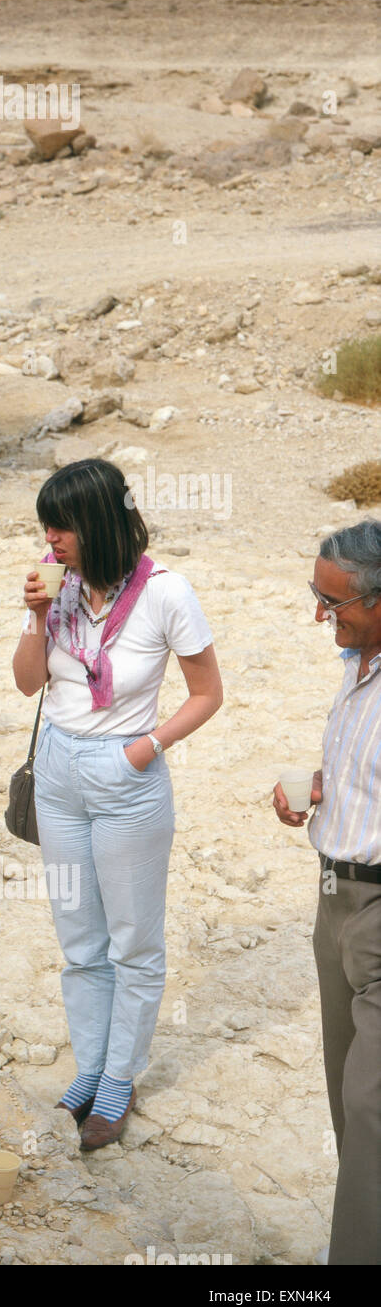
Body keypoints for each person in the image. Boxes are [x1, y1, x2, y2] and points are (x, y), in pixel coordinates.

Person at [12, 458, 223, 1150]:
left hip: (127, 774)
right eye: (47, 524)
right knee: (80, 939)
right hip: (58, 768)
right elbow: (25, 683)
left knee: (132, 940)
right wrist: (37, 616)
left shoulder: (167, 592)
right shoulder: (57, 584)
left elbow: (206, 694)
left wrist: (145, 747)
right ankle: (91, 1065)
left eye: (62, 523)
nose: (51, 537)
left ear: (99, 520)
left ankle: (120, 1078)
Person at [273, 519, 381, 1265]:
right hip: (332, 901)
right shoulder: (357, 661)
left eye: (335, 603)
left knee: (373, 1107)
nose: (323, 617)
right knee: (349, 1100)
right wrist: (321, 791)